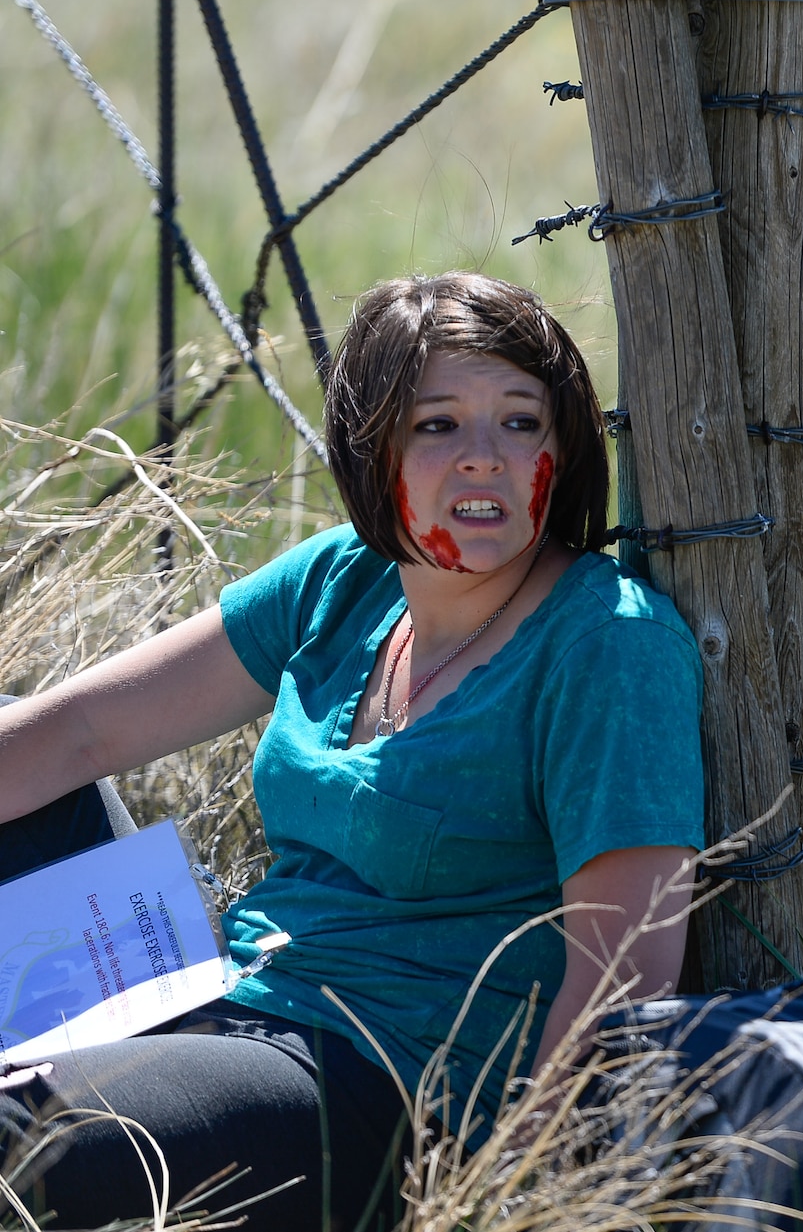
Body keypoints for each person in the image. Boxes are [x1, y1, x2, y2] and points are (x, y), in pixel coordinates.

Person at [0, 273, 705, 1230]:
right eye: (438, 426)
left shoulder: (610, 644)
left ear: (564, 444)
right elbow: (81, 730)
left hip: (381, 1089)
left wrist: (501, 1209)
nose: (484, 460)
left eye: (520, 422)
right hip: (226, 993)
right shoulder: (347, 577)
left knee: (16, 1136)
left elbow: (619, 985)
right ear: (374, 449)